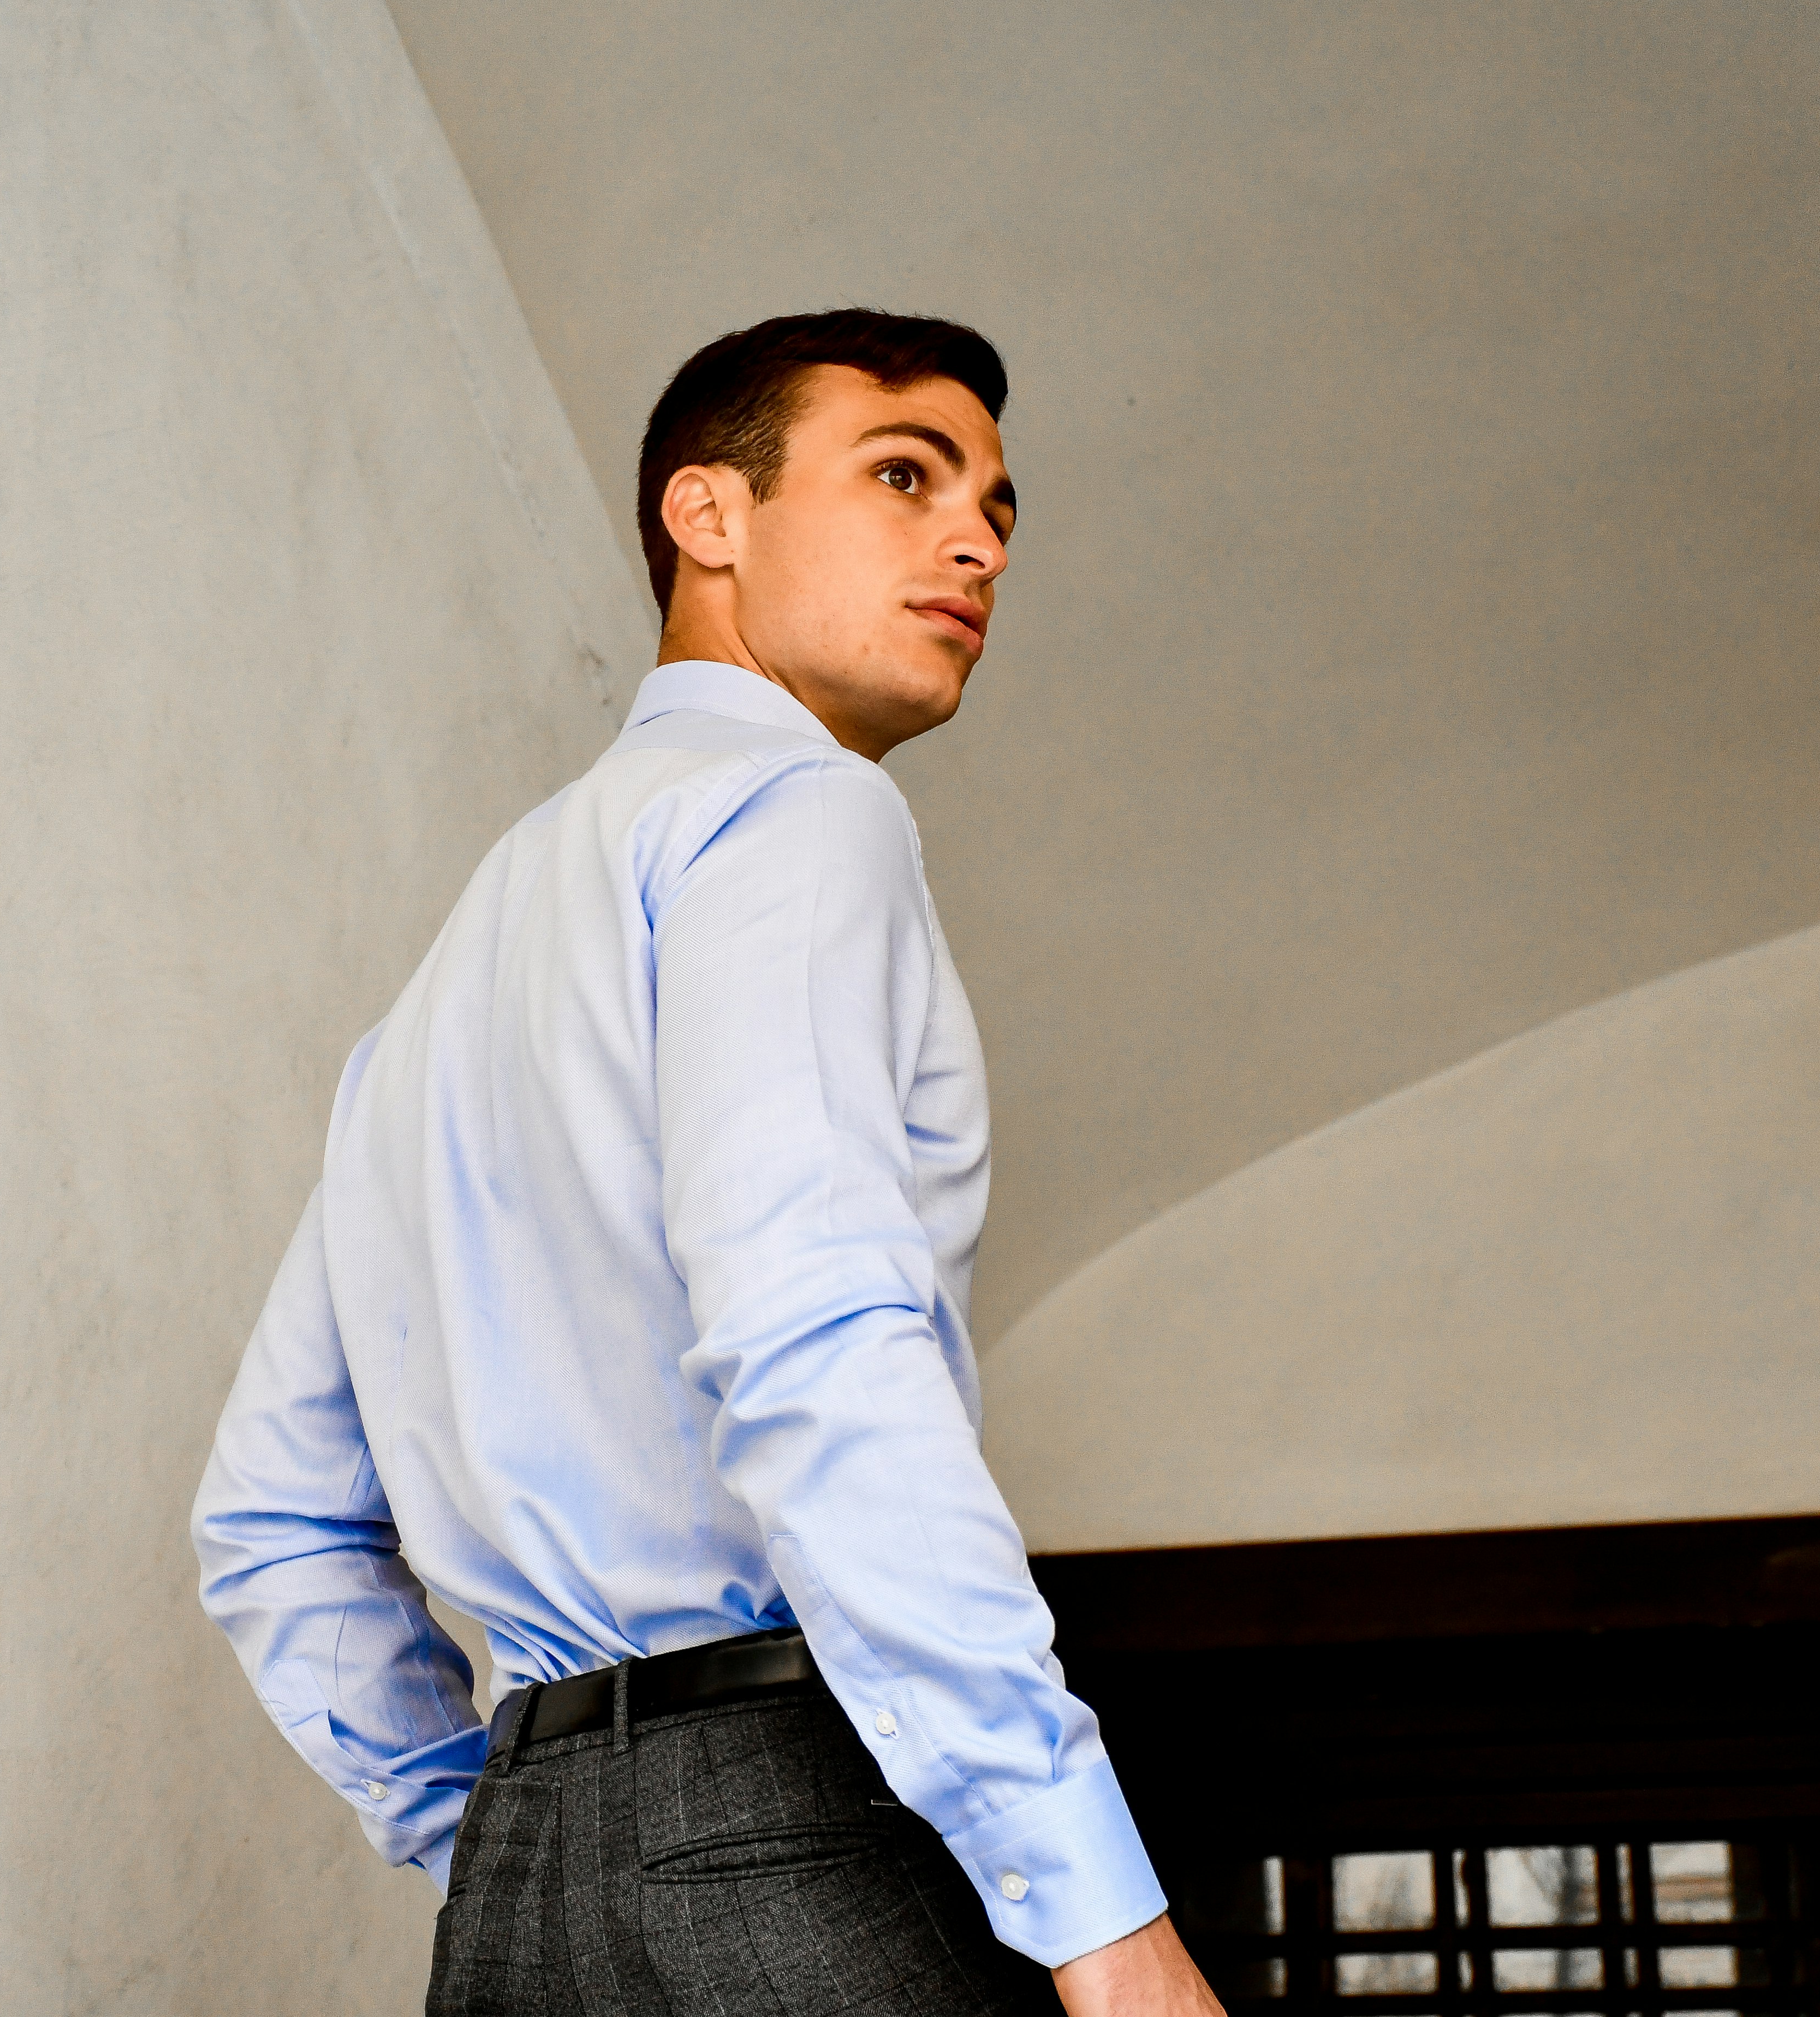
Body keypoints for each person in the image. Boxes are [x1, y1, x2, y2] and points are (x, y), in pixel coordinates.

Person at [193, 310, 1226, 2016]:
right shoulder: (800, 816)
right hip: (785, 1809)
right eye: (905, 474)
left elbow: (273, 1518)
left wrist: (494, 1836)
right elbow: (813, 1341)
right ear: (708, 518)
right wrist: (1104, 1919)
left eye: (998, 509)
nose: (976, 540)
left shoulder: (448, 986)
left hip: (522, 1891)